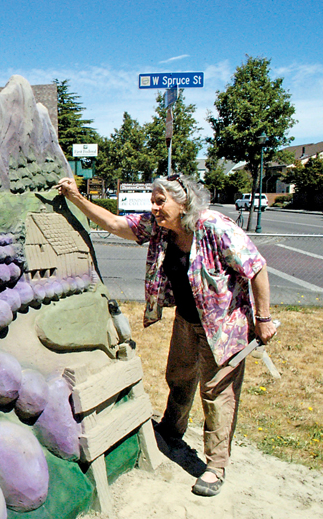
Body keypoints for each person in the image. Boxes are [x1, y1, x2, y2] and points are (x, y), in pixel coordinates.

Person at [56, 174, 276, 497]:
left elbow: (256, 267)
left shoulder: (213, 226)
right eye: (153, 201)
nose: (154, 207)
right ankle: (172, 431)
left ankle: (215, 466)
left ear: (183, 201)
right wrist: (76, 198)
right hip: (188, 321)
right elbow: (117, 224)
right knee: (179, 376)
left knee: (216, 393)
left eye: (161, 201)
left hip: (225, 327)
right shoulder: (160, 228)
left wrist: (264, 318)